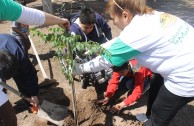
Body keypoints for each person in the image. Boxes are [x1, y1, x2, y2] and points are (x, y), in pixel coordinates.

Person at [73, 0, 194, 125]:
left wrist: (78, 69)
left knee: (159, 115)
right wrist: (108, 94)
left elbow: (106, 60)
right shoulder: (149, 16)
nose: (113, 22)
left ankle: (153, 120)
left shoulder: (137, 34)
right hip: (183, 59)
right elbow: (118, 46)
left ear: (125, 15)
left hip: (187, 76)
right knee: (155, 88)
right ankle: (149, 115)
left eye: (113, 18)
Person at [0, 0, 70, 125]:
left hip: (9, 48)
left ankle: (30, 100)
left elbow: (30, 74)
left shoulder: (19, 54)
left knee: (24, 78)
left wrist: (33, 95)